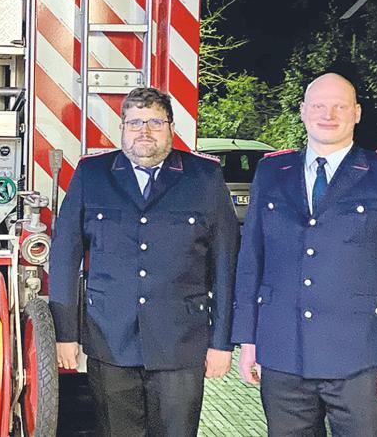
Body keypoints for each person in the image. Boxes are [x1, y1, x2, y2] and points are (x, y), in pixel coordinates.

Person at [232, 73, 377, 436]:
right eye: (319, 105)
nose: (329, 114)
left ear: (356, 113)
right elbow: (251, 259)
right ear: (303, 111)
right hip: (283, 354)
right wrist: (248, 338)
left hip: (360, 359)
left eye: (340, 106)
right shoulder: (272, 171)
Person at [49, 87, 239, 436]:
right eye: (135, 122)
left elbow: (226, 264)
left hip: (180, 343)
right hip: (110, 341)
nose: (144, 131)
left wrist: (222, 342)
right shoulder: (92, 174)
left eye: (155, 122)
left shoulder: (204, 177)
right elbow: (64, 257)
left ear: (171, 128)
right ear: (122, 128)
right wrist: (65, 334)